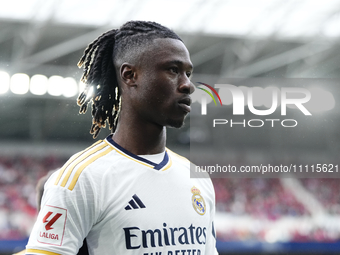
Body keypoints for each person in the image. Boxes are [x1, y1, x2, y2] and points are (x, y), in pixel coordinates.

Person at [25, 21, 218, 255]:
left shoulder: (198, 179)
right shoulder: (81, 179)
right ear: (130, 75)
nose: (187, 85)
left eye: (188, 73)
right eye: (173, 70)